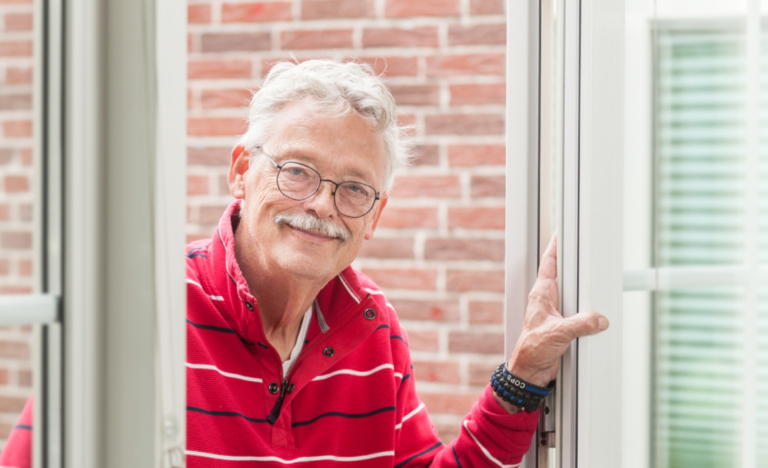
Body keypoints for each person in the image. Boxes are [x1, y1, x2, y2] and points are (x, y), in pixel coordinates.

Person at [0, 59, 608, 467]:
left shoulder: (374, 327)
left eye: (353, 189)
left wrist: (523, 377)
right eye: (297, 171)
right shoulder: (140, 312)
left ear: (374, 215)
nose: (321, 205)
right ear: (241, 170)